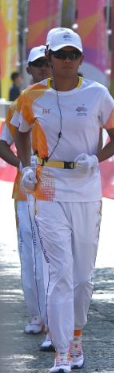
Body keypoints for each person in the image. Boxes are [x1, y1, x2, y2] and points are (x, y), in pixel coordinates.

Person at [11, 27, 114, 373]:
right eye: (60, 55)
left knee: (82, 276)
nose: (66, 61)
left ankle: (77, 336)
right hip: (48, 187)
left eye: (72, 55)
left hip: (87, 188)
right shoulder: (31, 97)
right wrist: (26, 165)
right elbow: (17, 131)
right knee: (59, 272)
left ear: (81, 59)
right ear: (49, 56)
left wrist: (97, 159)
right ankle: (61, 351)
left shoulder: (97, 95)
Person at [0, 45, 50, 345]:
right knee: (31, 254)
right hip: (27, 189)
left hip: (61, 189)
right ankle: (38, 315)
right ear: (29, 69)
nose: (45, 68)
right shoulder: (22, 102)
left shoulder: (71, 98)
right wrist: (22, 164)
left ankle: (56, 319)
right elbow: (3, 143)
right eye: (39, 64)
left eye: (49, 62)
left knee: (56, 255)